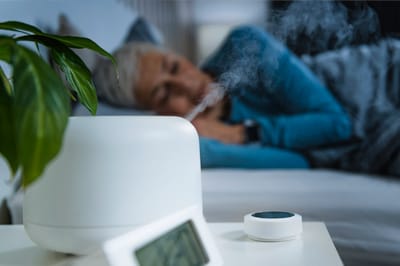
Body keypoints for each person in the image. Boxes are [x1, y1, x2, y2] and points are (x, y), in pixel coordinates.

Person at [93, 25, 352, 169]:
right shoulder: (204, 144)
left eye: (174, 67)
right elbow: (301, 163)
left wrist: (241, 134)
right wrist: (207, 145)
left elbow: (338, 125)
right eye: (164, 93)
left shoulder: (246, 46)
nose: (185, 84)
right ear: (157, 114)